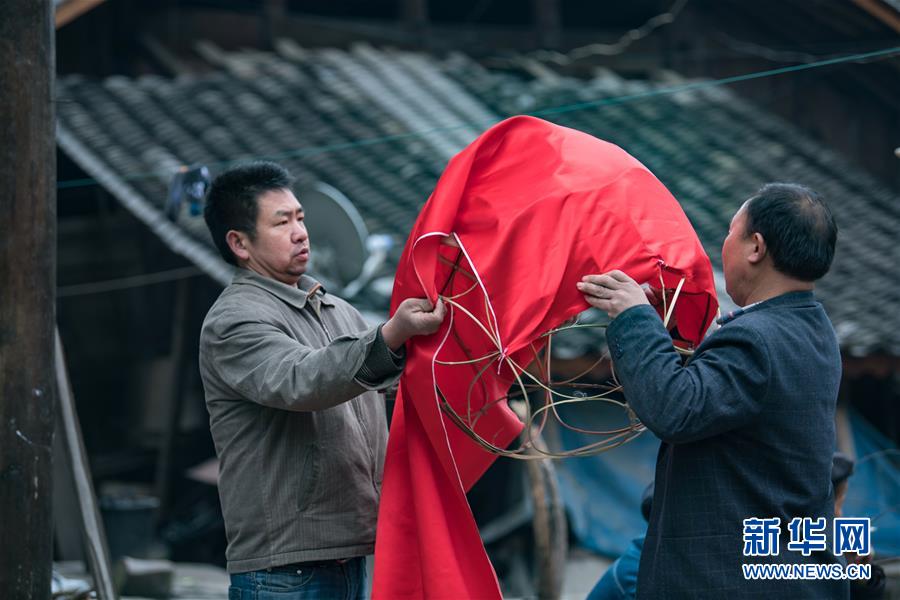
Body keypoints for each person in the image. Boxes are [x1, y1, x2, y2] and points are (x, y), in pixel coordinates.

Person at [578, 183, 846, 598]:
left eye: (729, 233)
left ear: (755, 247)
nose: (724, 245)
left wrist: (633, 316)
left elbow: (675, 408)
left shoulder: (755, 339)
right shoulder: (813, 329)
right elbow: (720, 398)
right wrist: (666, 332)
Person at [198, 161, 446, 599]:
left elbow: (379, 381)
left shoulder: (337, 311)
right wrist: (392, 334)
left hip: (349, 554)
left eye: (300, 218)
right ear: (239, 243)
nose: (300, 233)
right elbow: (303, 379)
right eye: (282, 223)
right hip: (282, 571)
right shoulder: (234, 321)